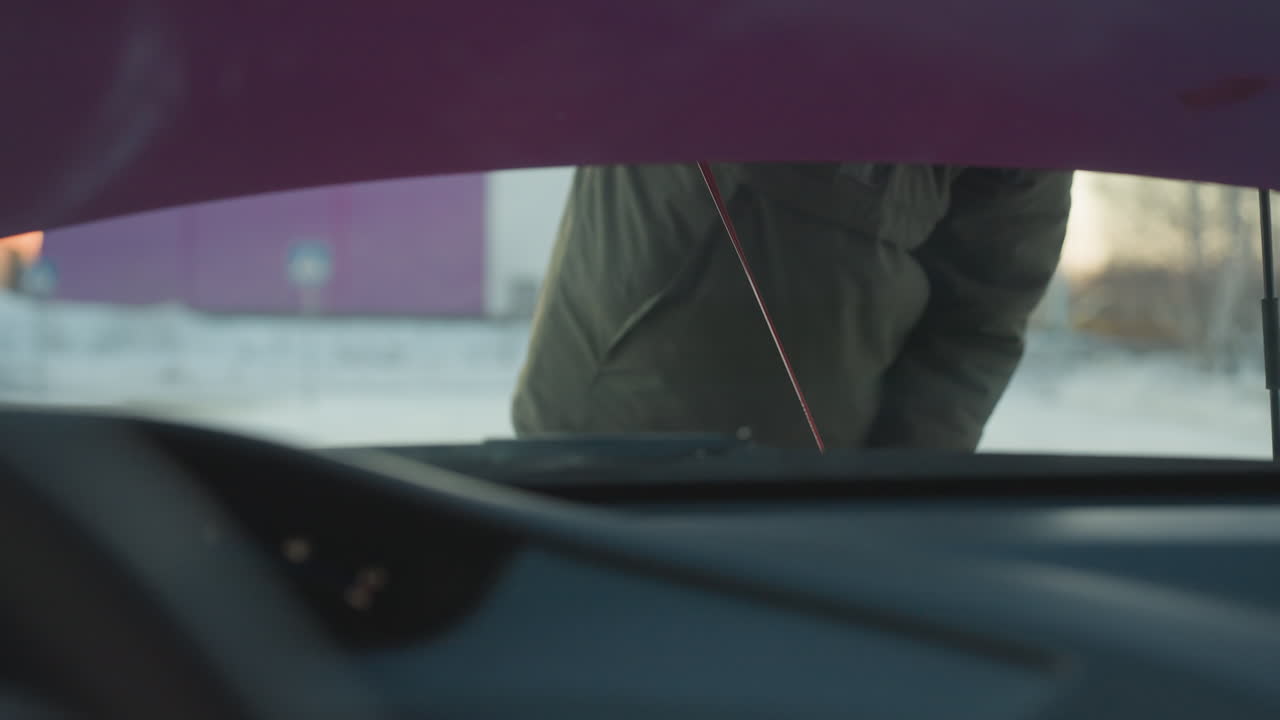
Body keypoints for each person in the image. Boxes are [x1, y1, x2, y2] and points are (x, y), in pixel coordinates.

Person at [511, 163, 1073, 450]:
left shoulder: (1019, 48)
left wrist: (901, 484)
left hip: (818, 491)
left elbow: (979, 315)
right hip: (594, 449)